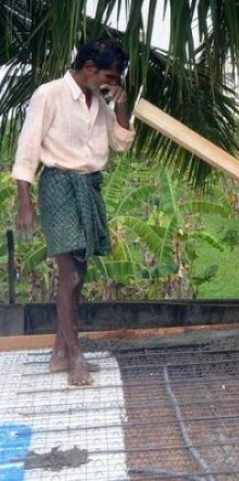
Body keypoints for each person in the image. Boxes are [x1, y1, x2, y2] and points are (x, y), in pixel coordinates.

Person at [12, 39, 135, 386]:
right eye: (111, 75)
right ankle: (75, 356)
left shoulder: (100, 100)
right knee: (71, 276)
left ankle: (58, 353)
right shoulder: (49, 94)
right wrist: (25, 200)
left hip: (88, 187)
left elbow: (122, 143)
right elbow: (27, 147)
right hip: (58, 187)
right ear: (90, 68)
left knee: (77, 273)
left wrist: (121, 103)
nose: (115, 82)